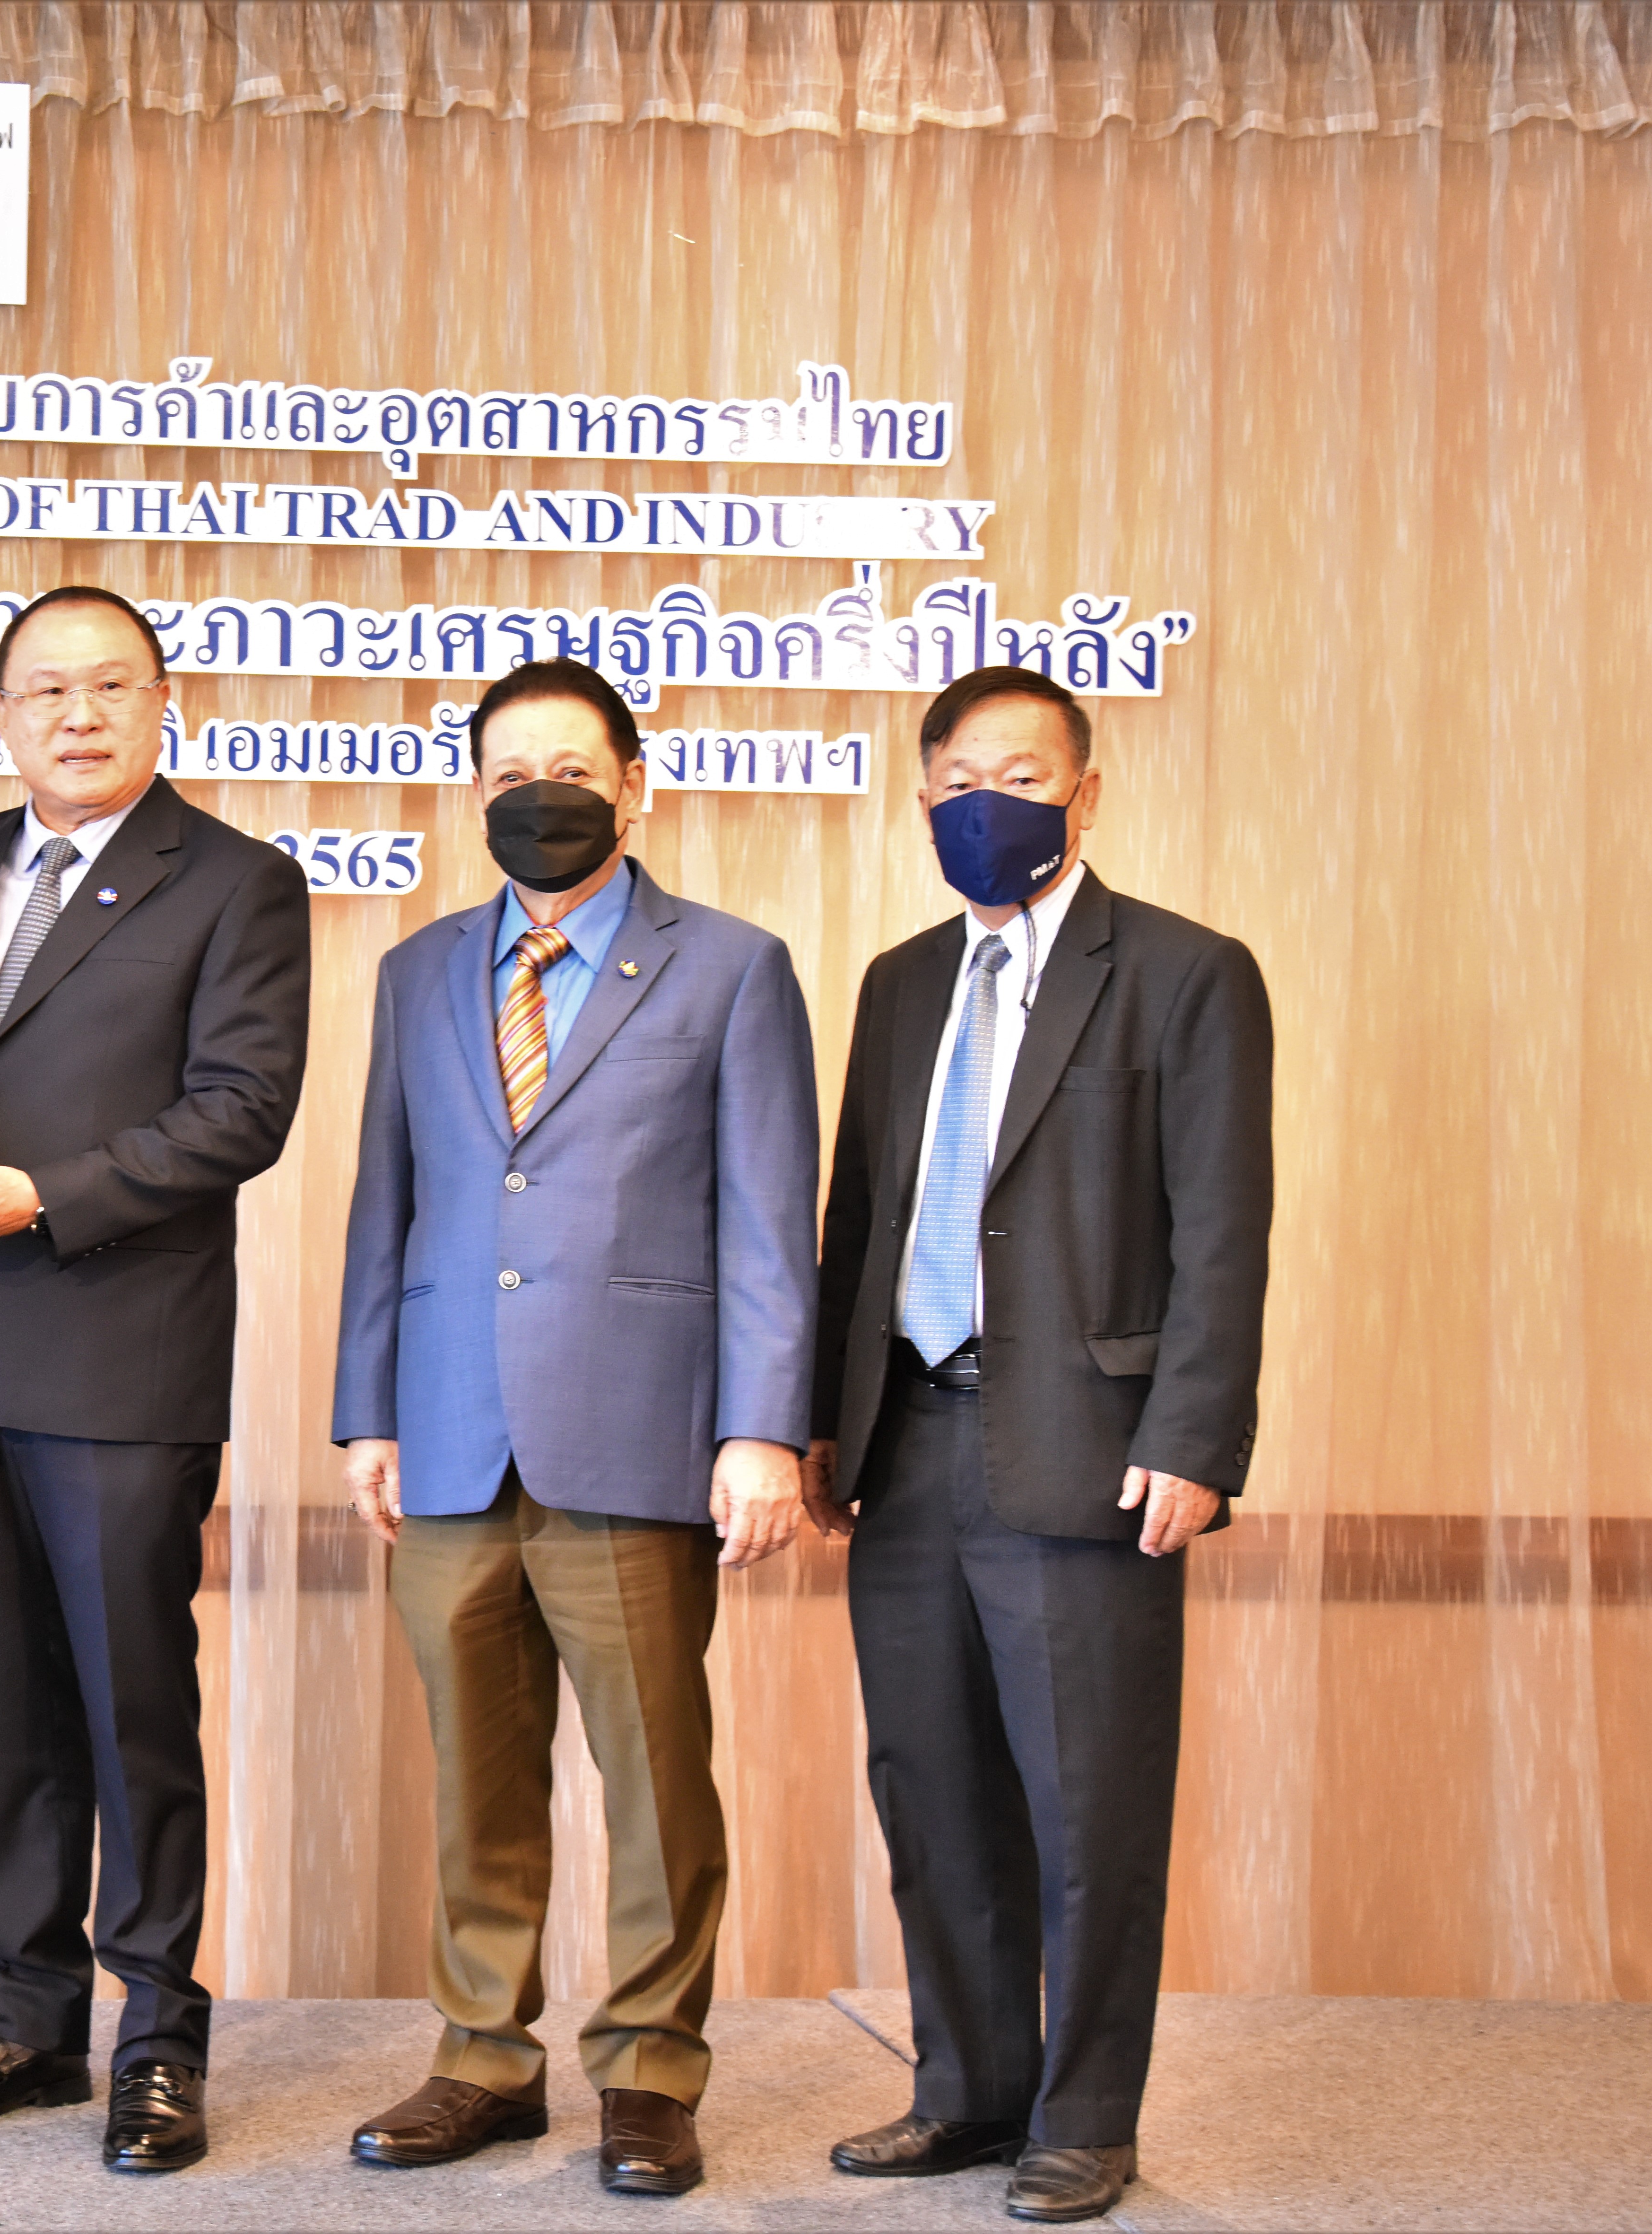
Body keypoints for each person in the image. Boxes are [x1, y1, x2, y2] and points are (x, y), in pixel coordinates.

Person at [330, 657, 820, 2197]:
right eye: (507, 773)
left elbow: (769, 1219)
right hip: (450, 1430)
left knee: (655, 1776)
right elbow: (387, 1200)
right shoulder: (417, 971)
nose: (539, 793)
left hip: (638, 1431)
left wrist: (764, 1427)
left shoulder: (732, 968)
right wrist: (366, 1409)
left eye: (572, 768)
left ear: (634, 787)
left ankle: (650, 2070)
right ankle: (482, 2056)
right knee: (477, 1773)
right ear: (474, 794)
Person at [0, 585, 313, 2174]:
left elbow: (242, 1109)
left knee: (132, 1710)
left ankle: (159, 2037)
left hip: (124, 1356)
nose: (78, 713)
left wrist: (42, 1195)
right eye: (45, 689)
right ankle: (31, 2015)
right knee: (4, 1708)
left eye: (111, 684)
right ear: (2, 715)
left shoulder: (239, 881)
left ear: (164, 703)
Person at [805, 664, 1271, 2225]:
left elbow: (1223, 1230)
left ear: (1085, 791)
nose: (984, 800)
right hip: (908, 1446)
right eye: (957, 779)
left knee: (1089, 1809)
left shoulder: (1187, 973)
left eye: (1019, 774)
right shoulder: (900, 983)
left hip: (1091, 1450)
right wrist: (822, 1426)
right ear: (923, 797)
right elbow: (861, 1219)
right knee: (931, 1792)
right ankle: (967, 2088)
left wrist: (1195, 1436)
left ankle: (1085, 2114)